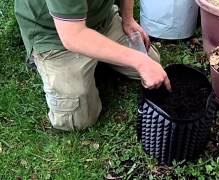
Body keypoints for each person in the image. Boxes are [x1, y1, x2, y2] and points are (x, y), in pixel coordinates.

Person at [14, 0, 171, 131]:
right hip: (55, 36)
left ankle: (98, 54)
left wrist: (128, 19)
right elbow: (73, 36)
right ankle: (44, 60)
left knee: (153, 63)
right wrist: (139, 61)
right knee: (78, 119)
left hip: (102, 19)